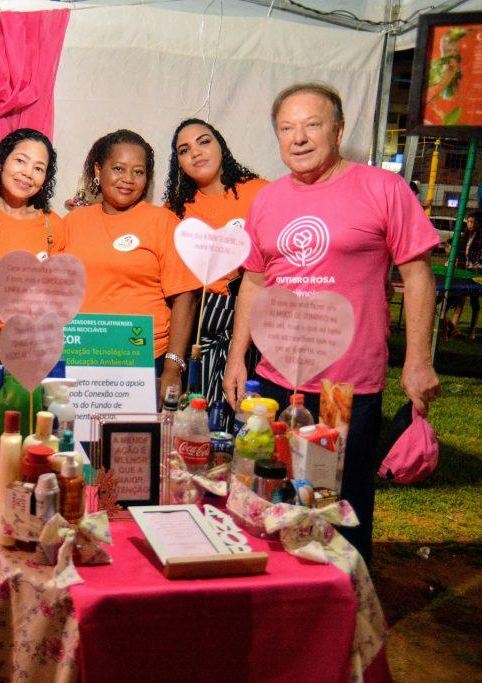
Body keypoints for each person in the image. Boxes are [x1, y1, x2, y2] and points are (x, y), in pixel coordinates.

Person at [223, 82, 442, 565]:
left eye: (312, 125)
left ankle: (346, 616)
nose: (298, 138)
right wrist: (238, 357)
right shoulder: (267, 200)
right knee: (274, 500)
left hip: (348, 388)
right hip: (279, 381)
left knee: (340, 507)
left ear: (338, 130)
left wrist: (418, 362)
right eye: (286, 128)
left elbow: (418, 275)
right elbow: (254, 285)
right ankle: (286, 607)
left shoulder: (383, 188)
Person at [63, 129, 200, 400]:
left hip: (146, 362)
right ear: (98, 170)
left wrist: (173, 367)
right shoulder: (71, 223)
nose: (128, 179)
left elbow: (186, 296)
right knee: (81, 442)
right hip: (83, 358)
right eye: (118, 169)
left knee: (132, 442)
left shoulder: (164, 223)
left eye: (138, 172)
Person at [163, 119, 268, 412]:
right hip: (198, 324)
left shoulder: (260, 193)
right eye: (184, 150)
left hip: (250, 319)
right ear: (179, 163)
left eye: (204, 141)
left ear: (221, 145)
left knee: (246, 414)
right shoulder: (175, 209)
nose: (195, 152)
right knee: (197, 416)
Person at [0, 128, 65, 326]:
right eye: (20, 161)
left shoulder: (52, 225)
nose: (28, 173)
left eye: (38, 168)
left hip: (28, 342)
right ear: (1, 163)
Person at [441, 210, 480, 340]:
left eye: (473, 222)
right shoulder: (465, 236)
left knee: (474, 301)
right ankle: (453, 328)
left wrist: (477, 265)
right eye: (468, 221)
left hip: (477, 273)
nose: (470, 224)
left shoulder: (479, 238)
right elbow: (461, 253)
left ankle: (472, 331)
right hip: (464, 271)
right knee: (460, 298)